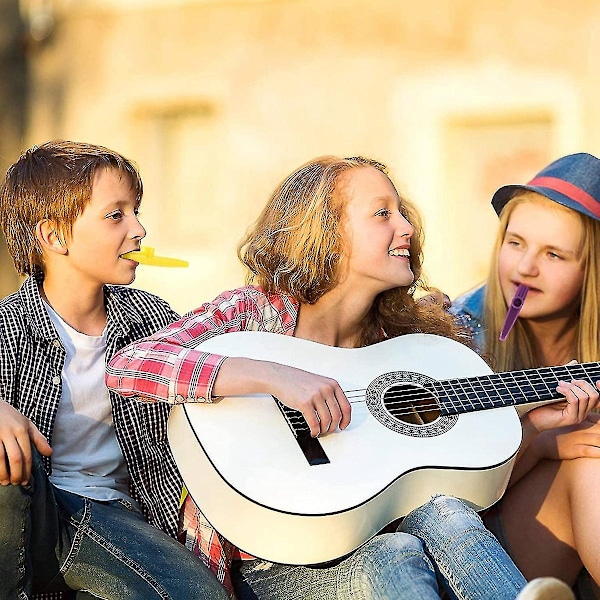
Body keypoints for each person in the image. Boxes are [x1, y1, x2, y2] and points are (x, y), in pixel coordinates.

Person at [107, 155, 587, 600]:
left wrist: (536, 426)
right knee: (394, 555)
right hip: (271, 563)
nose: (406, 228)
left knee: (446, 512)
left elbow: (451, 471)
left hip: (384, 538)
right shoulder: (254, 312)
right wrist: (274, 376)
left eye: (402, 213)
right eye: (382, 214)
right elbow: (129, 365)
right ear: (325, 233)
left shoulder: (407, 346)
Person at [0, 141, 228, 600]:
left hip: (116, 515)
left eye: (135, 211)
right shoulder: (8, 327)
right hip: (33, 508)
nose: (139, 229)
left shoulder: (155, 321)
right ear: (54, 236)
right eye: (116, 215)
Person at [451, 153, 600, 597]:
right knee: (588, 465)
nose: (525, 268)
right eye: (514, 243)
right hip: (470, 545)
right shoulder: (460, 335)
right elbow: (449, 497)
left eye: (553, 254)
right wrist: (543, 441)